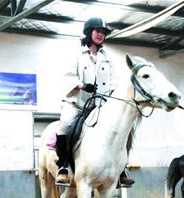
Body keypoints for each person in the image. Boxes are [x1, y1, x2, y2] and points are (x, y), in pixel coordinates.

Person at [55, 17, 134, 187]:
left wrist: (112, 97)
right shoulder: (76, 54)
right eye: (98, 31)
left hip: (100, 105)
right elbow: (68, 76)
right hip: (77, 104)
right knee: (64, 125)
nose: (100, 35)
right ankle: (63, 166)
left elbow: (114, 81)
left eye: (103, 32)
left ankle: (121, 169)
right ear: (89, 32)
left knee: (122, 128)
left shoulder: (108, 58)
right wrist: (81, 85)